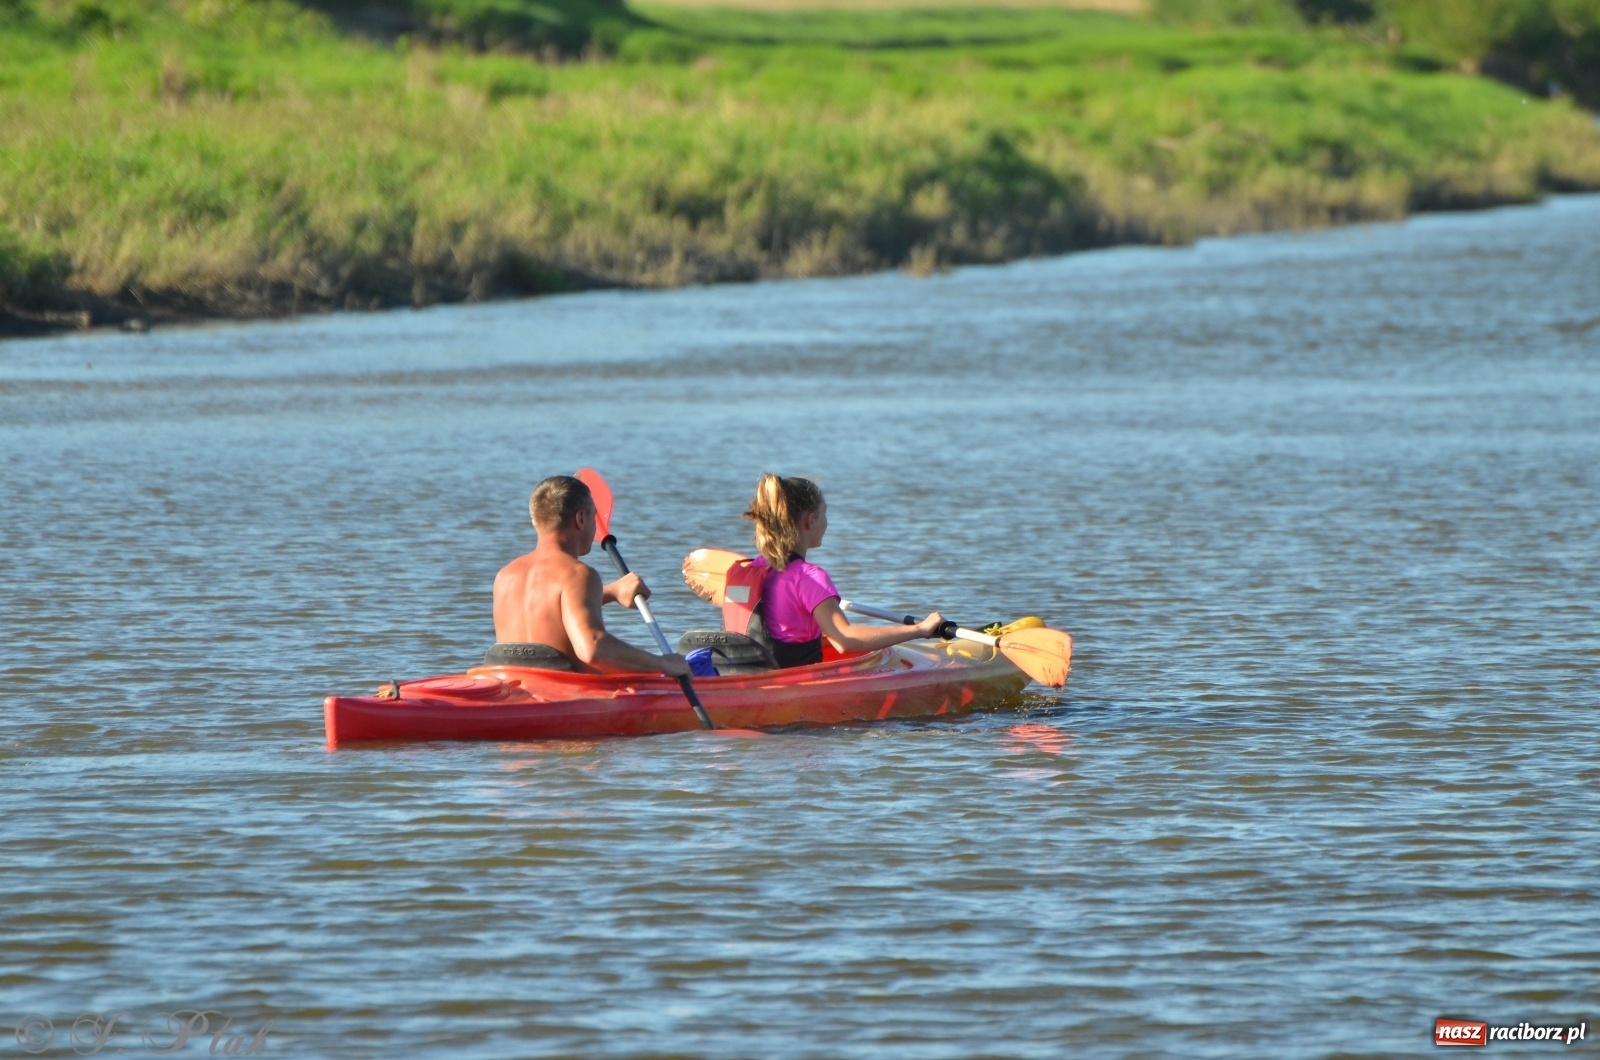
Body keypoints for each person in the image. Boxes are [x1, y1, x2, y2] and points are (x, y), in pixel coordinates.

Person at [490, 475, 689, 677]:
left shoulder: (505, 576)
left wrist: (612, 592)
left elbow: (548, 609)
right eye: (594, 515)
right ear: (581, 519)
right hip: (566, 698)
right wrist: (664, 664)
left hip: (512, 688)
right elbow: (593, 649)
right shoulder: (578, 574)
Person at [743, 473, 943, 668]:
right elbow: (844, 639)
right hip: (791, 687)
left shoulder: (753, 569)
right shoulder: (808, 578)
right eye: (824, 513)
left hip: (745, 677)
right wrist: (920, 629)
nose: (827, 522)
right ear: (810, 521)